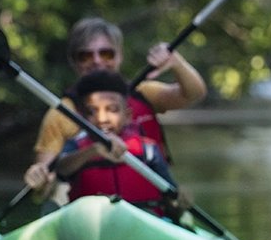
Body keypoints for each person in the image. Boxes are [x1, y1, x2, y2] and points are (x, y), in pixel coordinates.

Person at [23, 17, 207, 199]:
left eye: (106, 53)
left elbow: (194, 93)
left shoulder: (143, 93)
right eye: (85, 55)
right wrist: (40, 181)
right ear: (74, 62)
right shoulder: (61, 113)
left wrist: (176, 62)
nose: (96, 61)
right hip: (85, 211)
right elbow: (45, 185)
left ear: (119, 56)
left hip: (150, 208)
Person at [51, 71, 182, 217]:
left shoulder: (148, 149)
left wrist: (180, 202)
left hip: (143, 224)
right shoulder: (75, 146)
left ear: (127, 116)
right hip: (92, 224)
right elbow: (61, 170)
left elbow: (170, 199)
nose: (102, 119)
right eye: (92, 111)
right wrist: (93, 150)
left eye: (112, 110)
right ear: (82, 117)